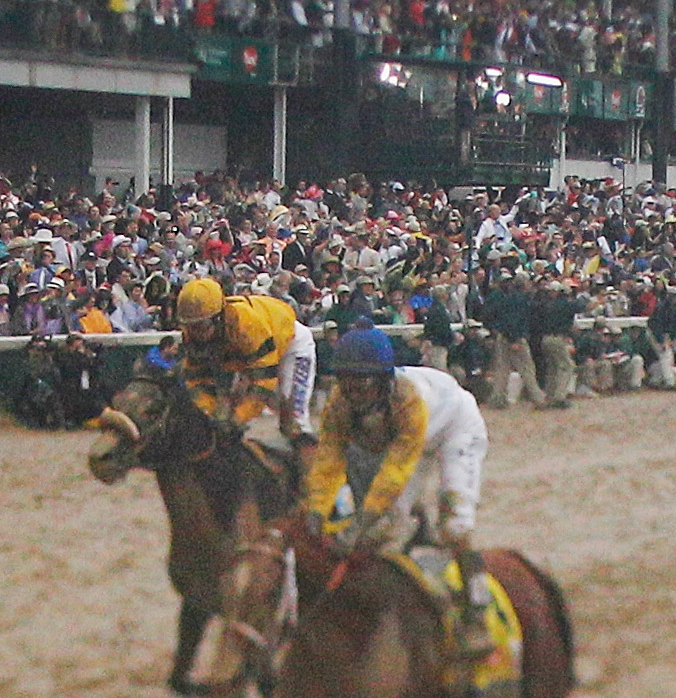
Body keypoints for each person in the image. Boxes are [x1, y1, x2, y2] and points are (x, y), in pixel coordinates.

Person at [303, 325, 494, 673]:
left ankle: (477, 607)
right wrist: (316, 510)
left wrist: (361, 519)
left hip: (454, 428)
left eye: (362, 382)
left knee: (454, 524)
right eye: (345, 380)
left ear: (383, 379)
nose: (353, 391)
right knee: (384, 529)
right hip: (409, 442)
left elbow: (395, 471)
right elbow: (328, 459)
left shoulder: (408, 400)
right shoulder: (339, 405)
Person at [169, 276, 314, 442]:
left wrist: (238, 419)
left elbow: (264, 383)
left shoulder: (246, 324)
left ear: (218, 318)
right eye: (189, 326)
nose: (196, 333)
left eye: (201, 326)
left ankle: (309, 453)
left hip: (291, 344)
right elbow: (197, 380)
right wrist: (211, 413)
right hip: (247, 357)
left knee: (294, 419)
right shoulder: (192, 334)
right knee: (227, 410)